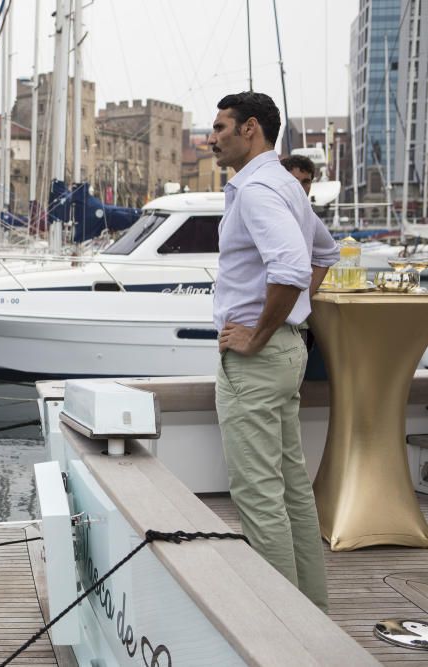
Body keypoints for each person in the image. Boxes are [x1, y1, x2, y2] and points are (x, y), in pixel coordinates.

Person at [207, 92, 339, 612]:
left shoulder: (259, 189)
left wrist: (256, 335)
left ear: (250, 129)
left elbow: (288, 269)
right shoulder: (285, 184)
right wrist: (291, 321)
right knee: (290, 491)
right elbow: (323, 253)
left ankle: (281, 629)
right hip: (287, 357)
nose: (211, 138)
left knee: (259, 497)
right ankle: (312, 614)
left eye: (219, 127)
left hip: (258, 363)